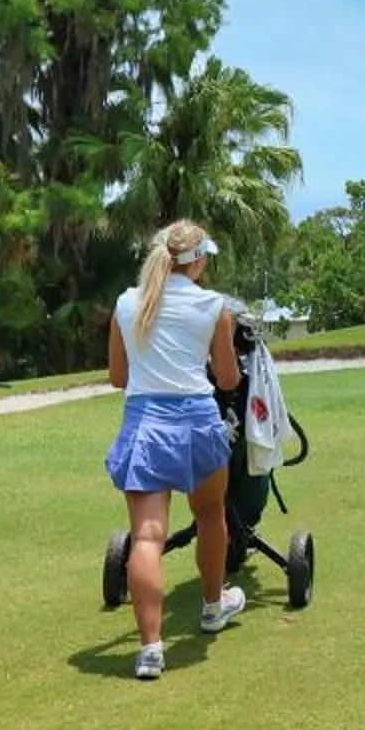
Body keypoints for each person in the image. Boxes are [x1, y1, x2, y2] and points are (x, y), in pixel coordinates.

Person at [105, 219, 247, 681]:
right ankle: (212, 606)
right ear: (199, 260)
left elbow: (119, 377)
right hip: (197, 424)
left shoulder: (129, 302)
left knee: (147, 536)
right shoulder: (215, 307)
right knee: (210, 516)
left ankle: (150, 650)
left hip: (145, 423)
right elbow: (227, 379)